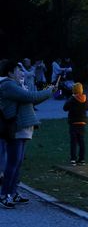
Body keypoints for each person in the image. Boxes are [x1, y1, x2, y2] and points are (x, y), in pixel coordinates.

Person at [0, 59, 56, 209]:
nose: (22, 73)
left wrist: (47, 92)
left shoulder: (18, 85)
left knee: (18, 163)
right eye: (19, 70)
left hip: (24, 128)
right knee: (13, 163)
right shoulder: (8, 85)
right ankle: (4, 194)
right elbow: (30, 97)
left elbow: (31, 101)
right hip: (16, 128)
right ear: (10, 72)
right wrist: (49, 90)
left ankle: (13, 192)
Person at [63, 82, 88, 166]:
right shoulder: (85, 98)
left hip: (73, 123)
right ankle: (82, 159)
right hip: (82, 122)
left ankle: (73, 159)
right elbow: (87, 107)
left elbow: (65, 108)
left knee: (73, 142)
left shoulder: (72, 99)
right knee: (81, 141)